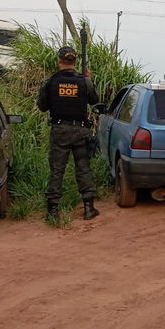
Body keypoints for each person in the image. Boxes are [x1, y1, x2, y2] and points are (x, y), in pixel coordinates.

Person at [36, 45, 101, 221]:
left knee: (57, 170)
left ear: (59, 60)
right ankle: (88, 208)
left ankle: (52, 212)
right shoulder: (84, 81)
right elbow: (95, 101)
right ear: (75, 61)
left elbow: (42, 107)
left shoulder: (50, 82)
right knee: (83, 168)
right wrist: (88, 79)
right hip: (81, 130)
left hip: (59, 131)